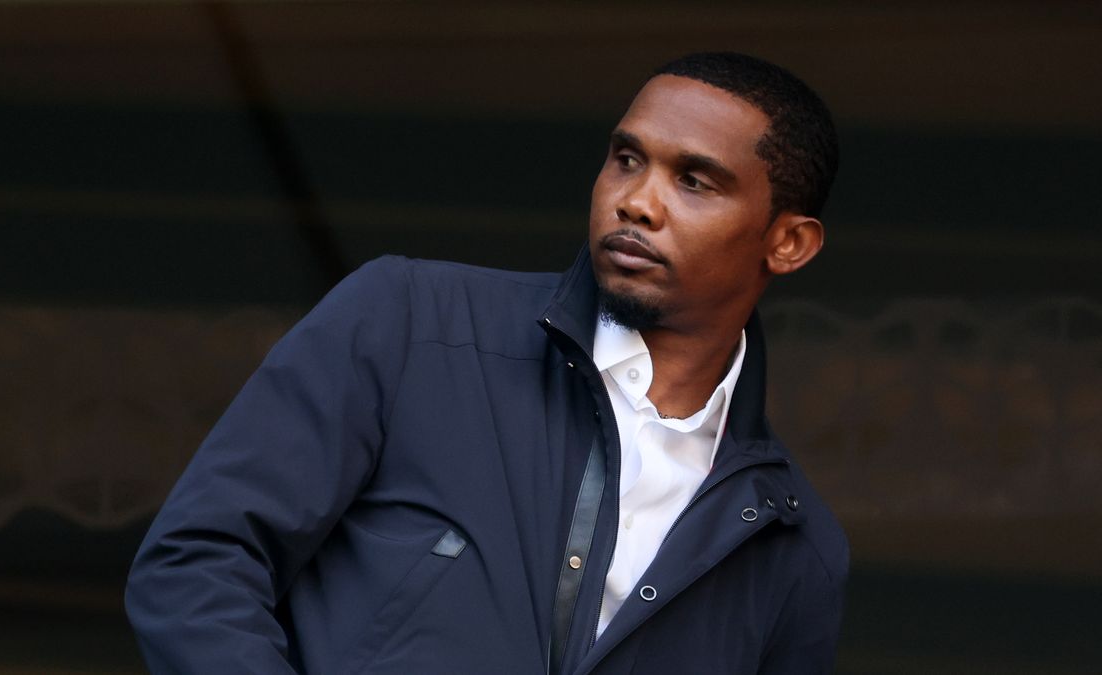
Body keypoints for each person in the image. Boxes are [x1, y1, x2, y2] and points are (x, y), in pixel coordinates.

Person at [126, 51, 848, 674]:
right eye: (627, 159)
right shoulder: (408, 322)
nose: (636, 202)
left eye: (694, 181)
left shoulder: (793, 545)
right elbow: (197, 565)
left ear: (788, 244)